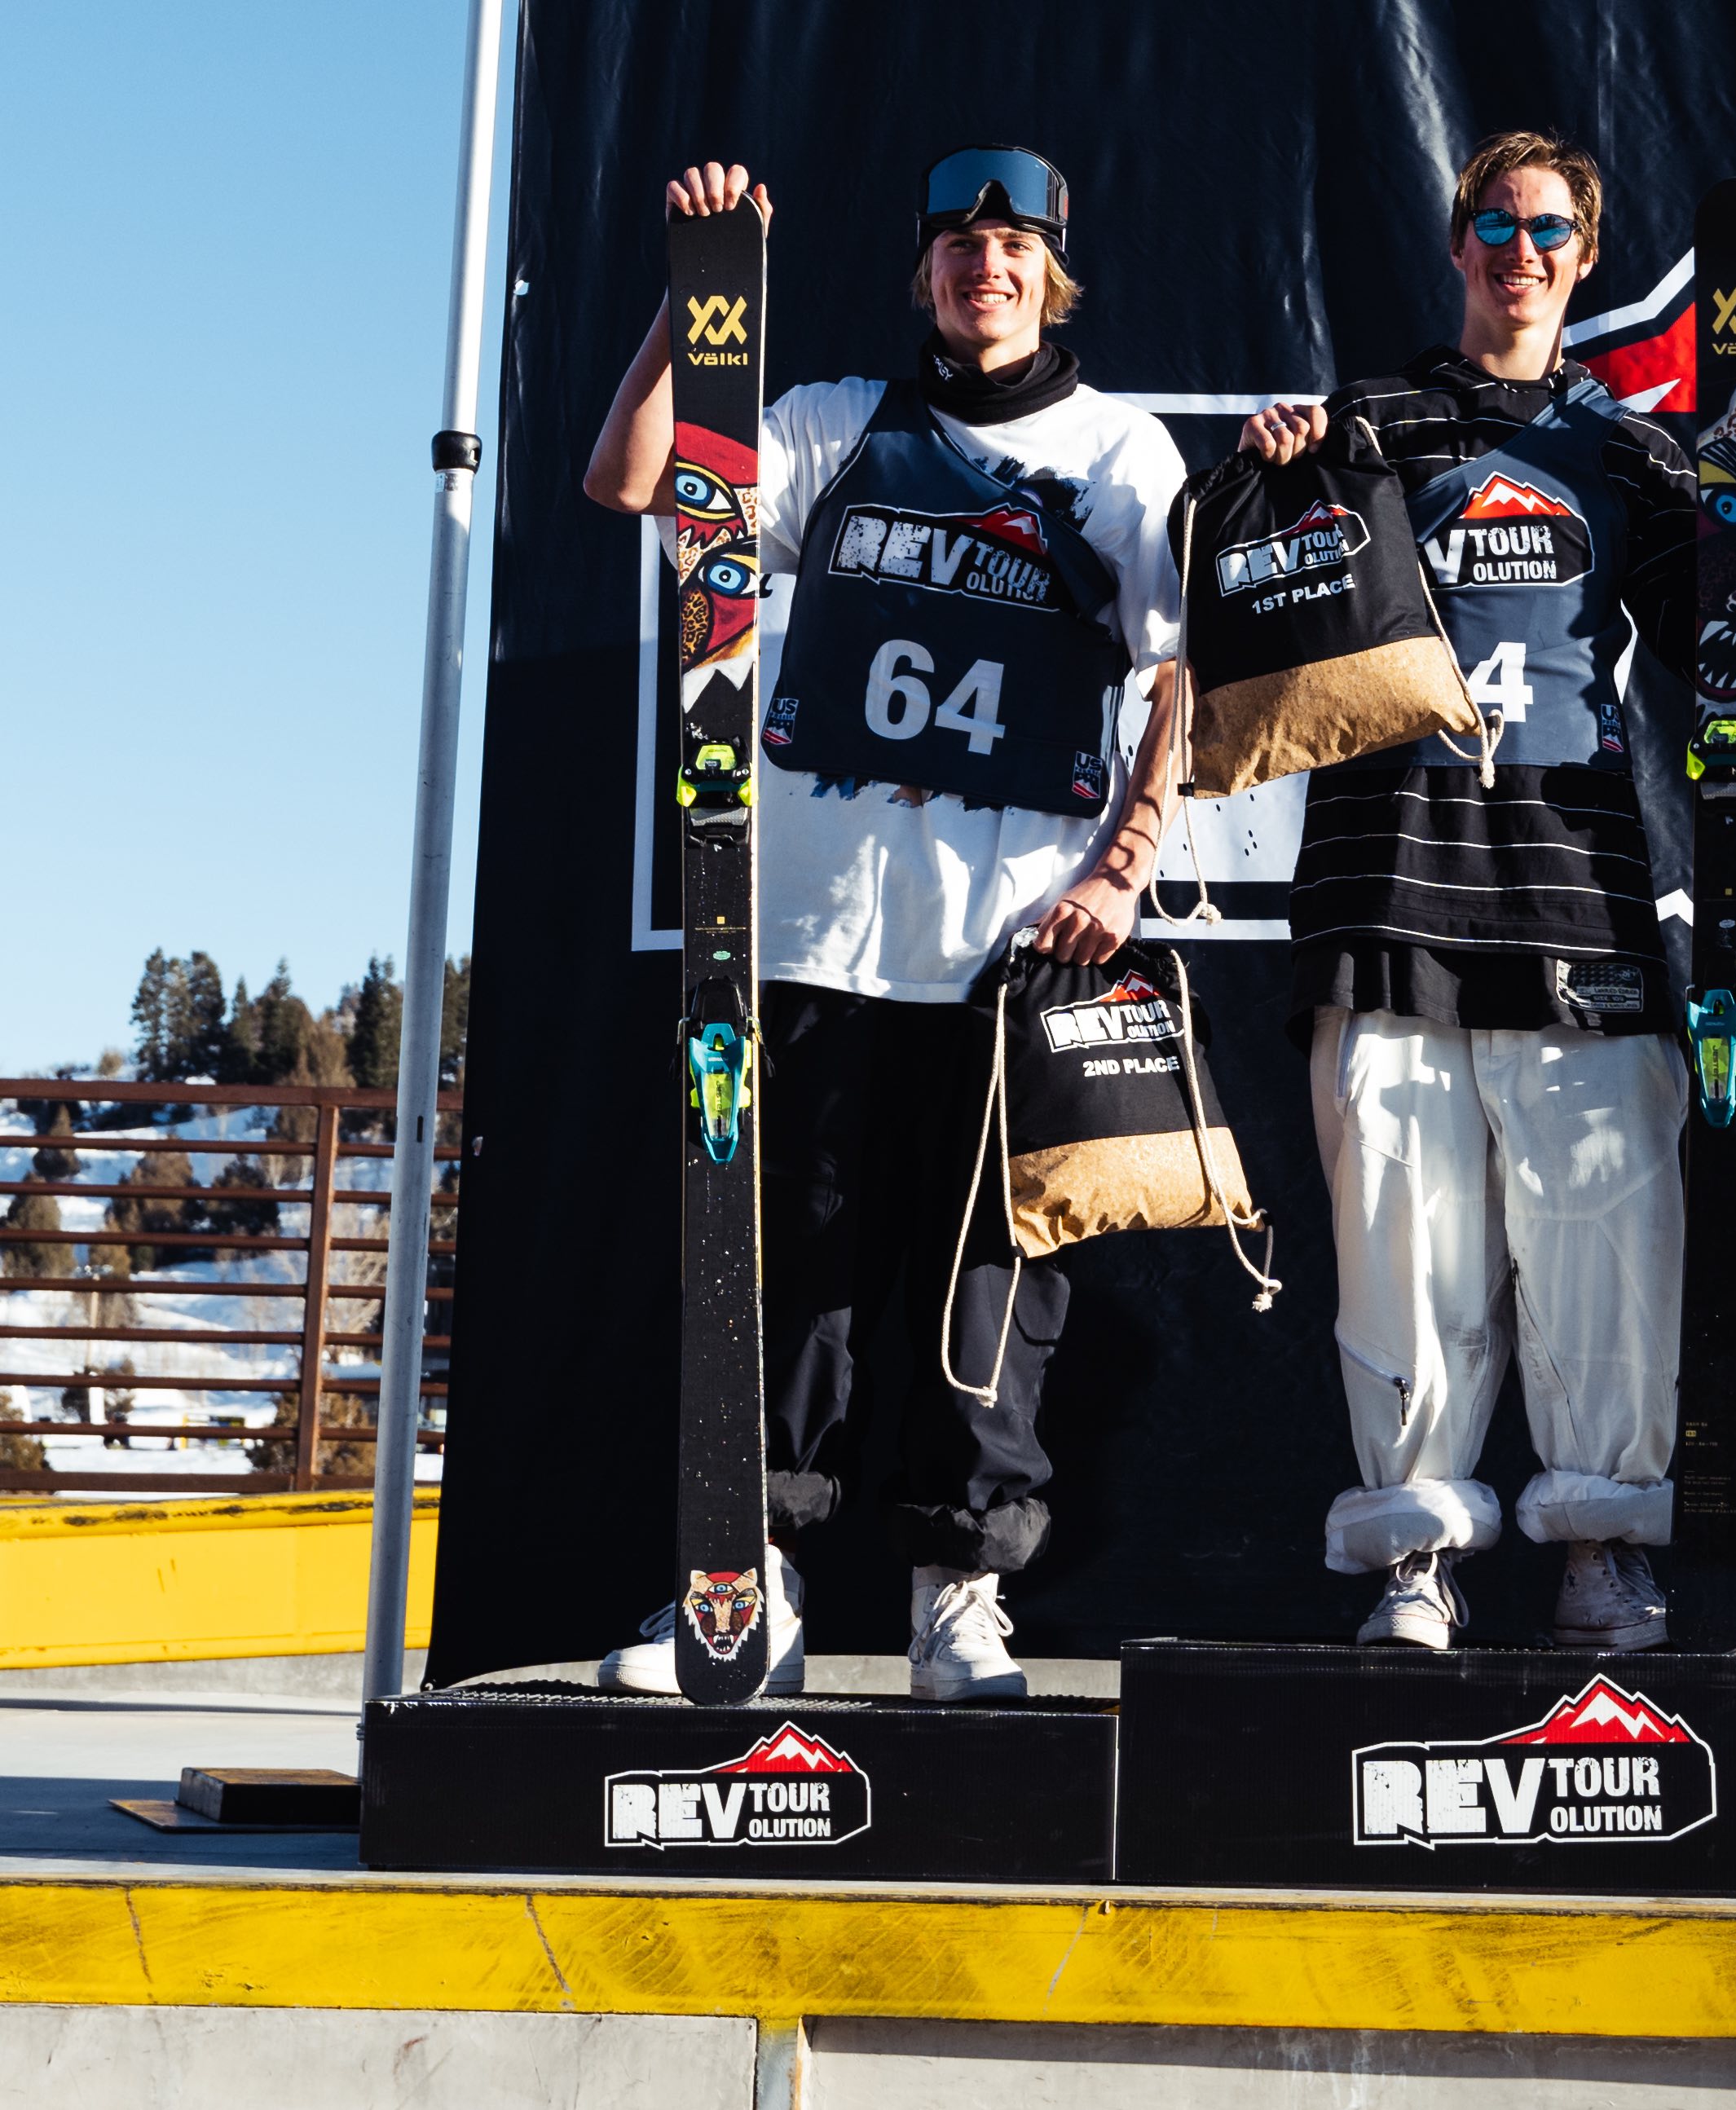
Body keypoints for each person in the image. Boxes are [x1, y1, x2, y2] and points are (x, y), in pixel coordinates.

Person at [579, 146, 1187, 1700]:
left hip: (1009, 952)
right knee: (795, 1282)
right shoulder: (832, 422)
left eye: (1016, 242)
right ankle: (751, 1589)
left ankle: (956, 1603)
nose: (987, 263)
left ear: (1055, 273)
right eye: (959, 243)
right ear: (923, 270)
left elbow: (1187, 670)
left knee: (988, 1287)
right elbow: (634, 484)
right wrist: (694, 305)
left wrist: (1126, 861)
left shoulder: (1120, 454)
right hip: (814, 940)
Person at [1236, 131, 1736, 1651]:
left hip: (1577, 890)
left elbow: (1728, 641)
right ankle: (1415, 1555)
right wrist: (1267, 475)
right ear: (1456, 245)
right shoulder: (1368, 421)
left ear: (1586, 254)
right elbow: (1242, 615)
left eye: (1548, 228)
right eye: (1493, 225)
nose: (1520, 251)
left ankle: (1600, 1547)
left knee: (1603, 1238)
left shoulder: (1631, 449)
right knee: (1401, 1241)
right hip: (1387, 885)